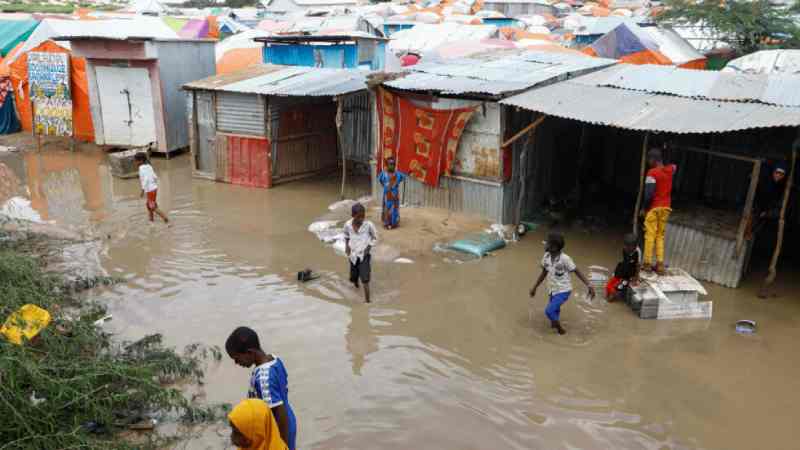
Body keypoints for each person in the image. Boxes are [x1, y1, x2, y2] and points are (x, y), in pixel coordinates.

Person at [226, 327, 297, 450]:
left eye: (237, 358)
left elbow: (279, 413)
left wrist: (281, 444)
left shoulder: (264, 378)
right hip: (289, 420)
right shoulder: (274, 360)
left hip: (279, 429)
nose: (236, 363)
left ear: (249, 353)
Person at [529, 232, 595, 335]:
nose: (545, 244)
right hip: (552, 289)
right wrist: (534, 287)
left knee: (549, 311)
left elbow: (577, 271)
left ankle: (561, 330)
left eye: (548, 243)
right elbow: (544, 273)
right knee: (554, 311)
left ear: (554, 247)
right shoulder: (546, 257)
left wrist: (589, 285)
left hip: (563, 290)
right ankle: (554, 324)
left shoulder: (565, 259)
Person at [641, 149, 676, 275]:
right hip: (666, 208)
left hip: (654, 208)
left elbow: (648, 195)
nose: (648, 162)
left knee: (650, 235)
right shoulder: (670, 170)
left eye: (649, 160)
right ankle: (660, 264)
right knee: (660, 236)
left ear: (653, 160)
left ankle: (647, 263)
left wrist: (644, 209)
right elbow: (674, 166)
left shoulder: (652, 173)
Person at [345, 202, 378, 303]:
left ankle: (367, 301)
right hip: (353, 255)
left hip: (364, 255)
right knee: (353, 277)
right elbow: (346, 235)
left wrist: (368, 248)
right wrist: (347, 246)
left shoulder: (368, 225)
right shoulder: (347, 225)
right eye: (359, 217)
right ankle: (356, 284)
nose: (361, 219)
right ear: (353, 216)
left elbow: (375, 237)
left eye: (363, 216)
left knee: (365, 278)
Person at [605, 233, 641, 302]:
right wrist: (618, 274)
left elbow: (638, 265)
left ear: (635, 246)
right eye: (626, 246)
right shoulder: (624, 249)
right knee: (611, 283)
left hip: (631, 271)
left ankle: (614, 293)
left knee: (619, 287)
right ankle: (610, 292)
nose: (626, 248)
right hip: (624, 267)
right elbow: (625, 261)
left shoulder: (637, 252)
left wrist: (636, 278)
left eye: (629, 247)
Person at [135, 153, 169, 224]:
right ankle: (151, 220)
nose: (135, 162)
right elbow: (155, 176)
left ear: (140, 161)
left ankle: (165, 218)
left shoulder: (141, 168)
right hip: (154, 188)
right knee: (149, 205)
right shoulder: (149, 166)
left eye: (136, 161)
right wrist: (154, 183)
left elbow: (146, 179)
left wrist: (142, 190)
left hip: (150, 190)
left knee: (152, 206)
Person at [378, 157, 406, 229]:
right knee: (386, 208)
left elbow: (403, 178)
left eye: (393, 164)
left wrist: (395, 184)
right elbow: (380, 180)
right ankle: (386, 223)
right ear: (387, 165)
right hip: (387, 195)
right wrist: (385, 186)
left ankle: (394, 223)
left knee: (394, 209)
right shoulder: (383, 174)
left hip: (394, 195)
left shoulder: (398, 174)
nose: (392, 166)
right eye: (390, 164)